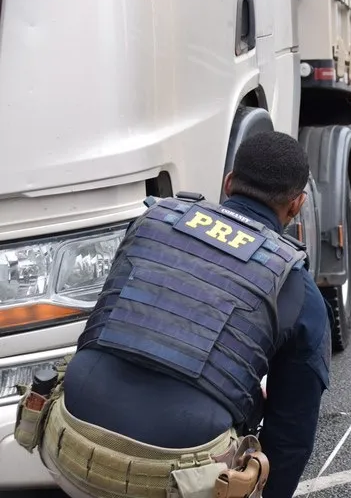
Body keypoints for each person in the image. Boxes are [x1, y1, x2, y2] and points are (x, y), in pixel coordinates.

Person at [14, 131, 332, 498]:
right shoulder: (297, 287)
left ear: (229, 183)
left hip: (66, 443)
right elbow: (291, 434)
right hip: (176, 478)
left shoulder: (151, 221)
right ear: (296, 205)